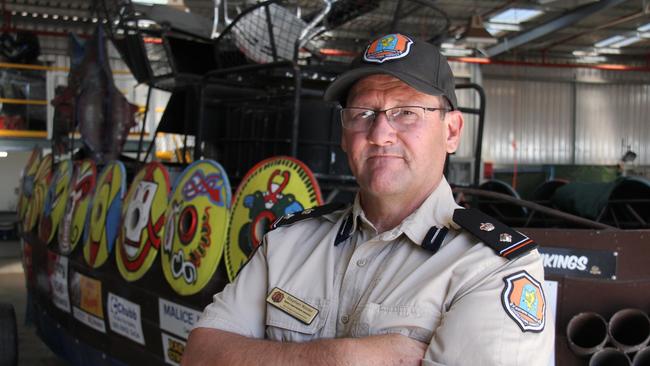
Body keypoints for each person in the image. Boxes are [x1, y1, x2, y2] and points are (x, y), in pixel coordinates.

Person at [183, 33, 553, 366]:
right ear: (344, 136)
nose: (379, 133)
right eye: (363, 114)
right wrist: (337, 358)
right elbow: (200, 354)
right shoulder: (287, 243)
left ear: (452, 131)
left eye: (406, 112)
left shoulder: (490, 268)